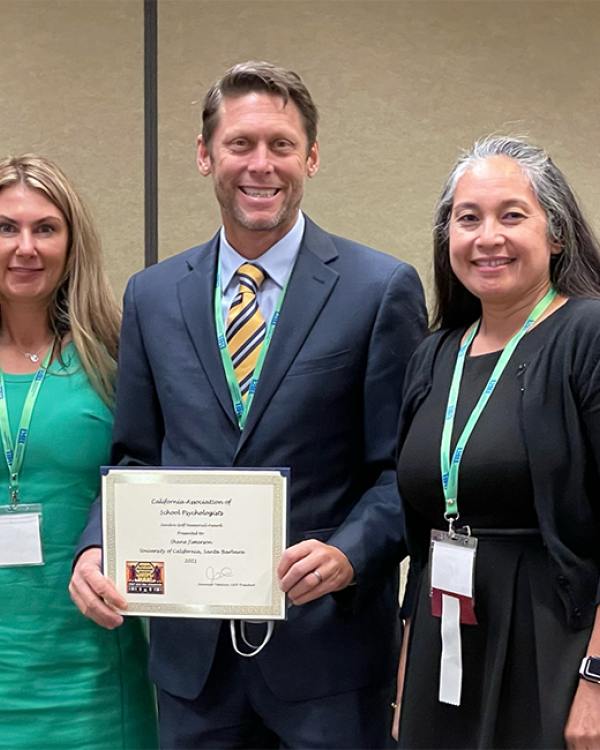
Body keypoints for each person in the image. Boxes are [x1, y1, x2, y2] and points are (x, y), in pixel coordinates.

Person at [69, 61, 427, 749]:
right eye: (240, 144)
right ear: (206, 156)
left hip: (328, 657)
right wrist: (97, 545)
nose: (260, 165)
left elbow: (399, 472)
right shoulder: (153, 295)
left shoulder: (380, 289)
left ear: (312, 157)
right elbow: (137, 456)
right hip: (192, 664)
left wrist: (351, 553)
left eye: (281, 145)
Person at [394, 135, 600, 750]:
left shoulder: (585, 333)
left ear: (556, 233)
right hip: (446, 637)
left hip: (555, 639)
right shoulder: (435, 355)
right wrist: (406, 670)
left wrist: (597, 677)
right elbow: (424, 527)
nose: (488, 237)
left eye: (512, 215)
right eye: (468, 219)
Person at [0, 155, 158, 750]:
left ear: (71, 243)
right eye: (6, 228)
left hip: (94, 666)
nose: (25, 247)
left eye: (45, 228)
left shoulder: (115, 355)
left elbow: (152, 477)